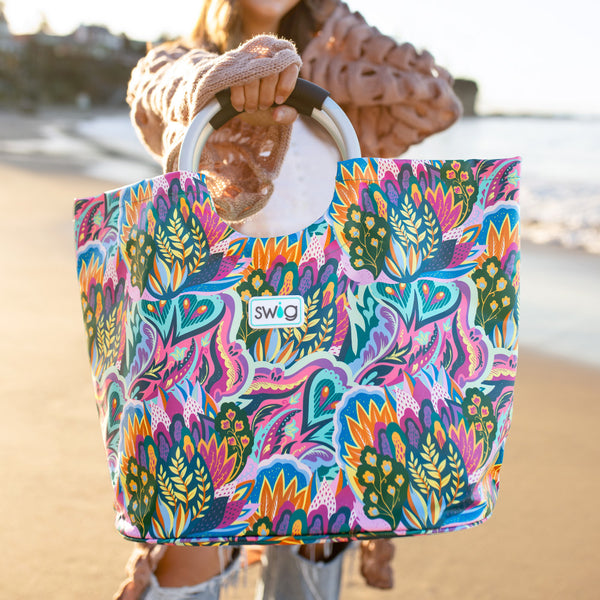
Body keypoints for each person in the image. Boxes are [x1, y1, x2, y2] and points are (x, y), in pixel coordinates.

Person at [116, 1, 462, 598]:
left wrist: (327, 43)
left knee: (311, 542)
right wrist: (220, 82)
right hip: (215, 334)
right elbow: (156, 88)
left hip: (329, 331)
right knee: (188, 531)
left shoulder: (340, 75)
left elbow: (435, 99)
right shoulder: (182, 61)